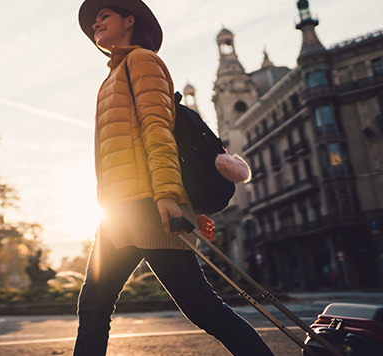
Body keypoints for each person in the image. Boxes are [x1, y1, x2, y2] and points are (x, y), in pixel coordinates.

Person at [73, 1, 275, 355]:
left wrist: (167, 195)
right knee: (93, 307)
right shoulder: (114, 75)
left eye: (104, 15)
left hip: (148, 204)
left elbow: (157, 130)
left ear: (130, 20)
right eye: (94, 21)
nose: (96, 24)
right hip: (119, 212)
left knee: (201, 306)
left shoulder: (142, 61)